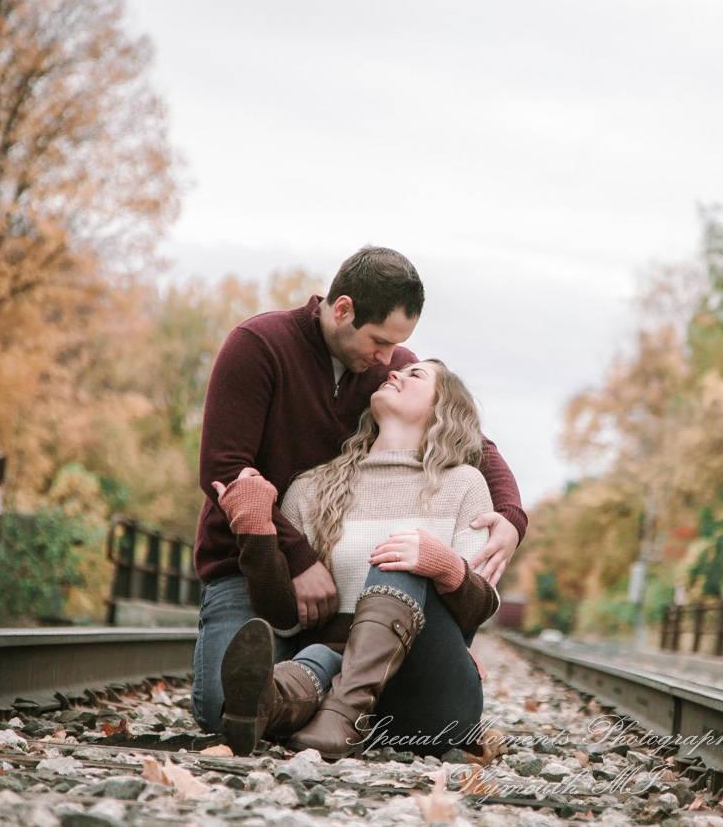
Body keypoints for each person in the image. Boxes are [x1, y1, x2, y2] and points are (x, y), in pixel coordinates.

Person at [191, 246, 526, 735]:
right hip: (246, 562)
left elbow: (476, 443)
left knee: (403, 561)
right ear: (343, 309)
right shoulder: (259, 346)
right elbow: (223, 468)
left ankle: (338, 712)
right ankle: (305, 702)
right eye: (380, 342)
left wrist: (513, 519)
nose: (390, 361)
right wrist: (297, 556)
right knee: (225, 706)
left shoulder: (396, 381)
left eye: (400, 349)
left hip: (380, 616)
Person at [214, 359, 500, 760]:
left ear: (443, 407)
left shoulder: (463, 484)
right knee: (316, 656)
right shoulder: (313, 488)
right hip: (326, 687)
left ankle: (342, 714)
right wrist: (256, 530)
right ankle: (265, 703)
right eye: (395, 372)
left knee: (400, 557)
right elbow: (285, 617)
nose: (394, 373)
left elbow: (480, 608)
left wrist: (443, 564)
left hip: (426, 699)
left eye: (415, 374)